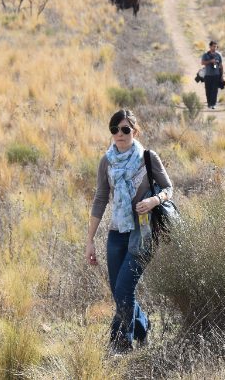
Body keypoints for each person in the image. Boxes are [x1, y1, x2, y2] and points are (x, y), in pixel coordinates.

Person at [85, 109, 174, 354]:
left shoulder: (147, 157)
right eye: (115, 129)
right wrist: (90, 240)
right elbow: (101, 198)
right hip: (116, 234)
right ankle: (143, 326)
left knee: (124, 289)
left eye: (125, 129)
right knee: (119, 293)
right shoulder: (107, 161)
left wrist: (155, 200)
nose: (119, 134)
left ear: (135, 131)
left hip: (143, 234)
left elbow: (168, 188)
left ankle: (121, 343)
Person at [201, 40, 224, 109]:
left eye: (216, 46)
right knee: (208, 90)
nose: (215, 48)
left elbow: (221, 65)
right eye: (213, 46)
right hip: (207, 75)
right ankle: (209, 103)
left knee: (215, 90)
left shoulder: (218, 55)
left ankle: (213, 104)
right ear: (210, 47)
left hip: (216, 75)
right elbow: (202, 63)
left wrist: (222, 75)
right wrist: (210, 61)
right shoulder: (205, 55)